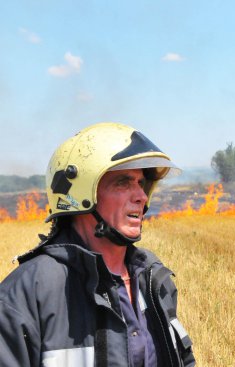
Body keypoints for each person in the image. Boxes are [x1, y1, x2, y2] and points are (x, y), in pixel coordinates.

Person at [0, 122, 195, 366]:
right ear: (82, 195)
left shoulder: (153, 279)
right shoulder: (27, 294)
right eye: (123, 182)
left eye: (141, 183)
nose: (142, 196)